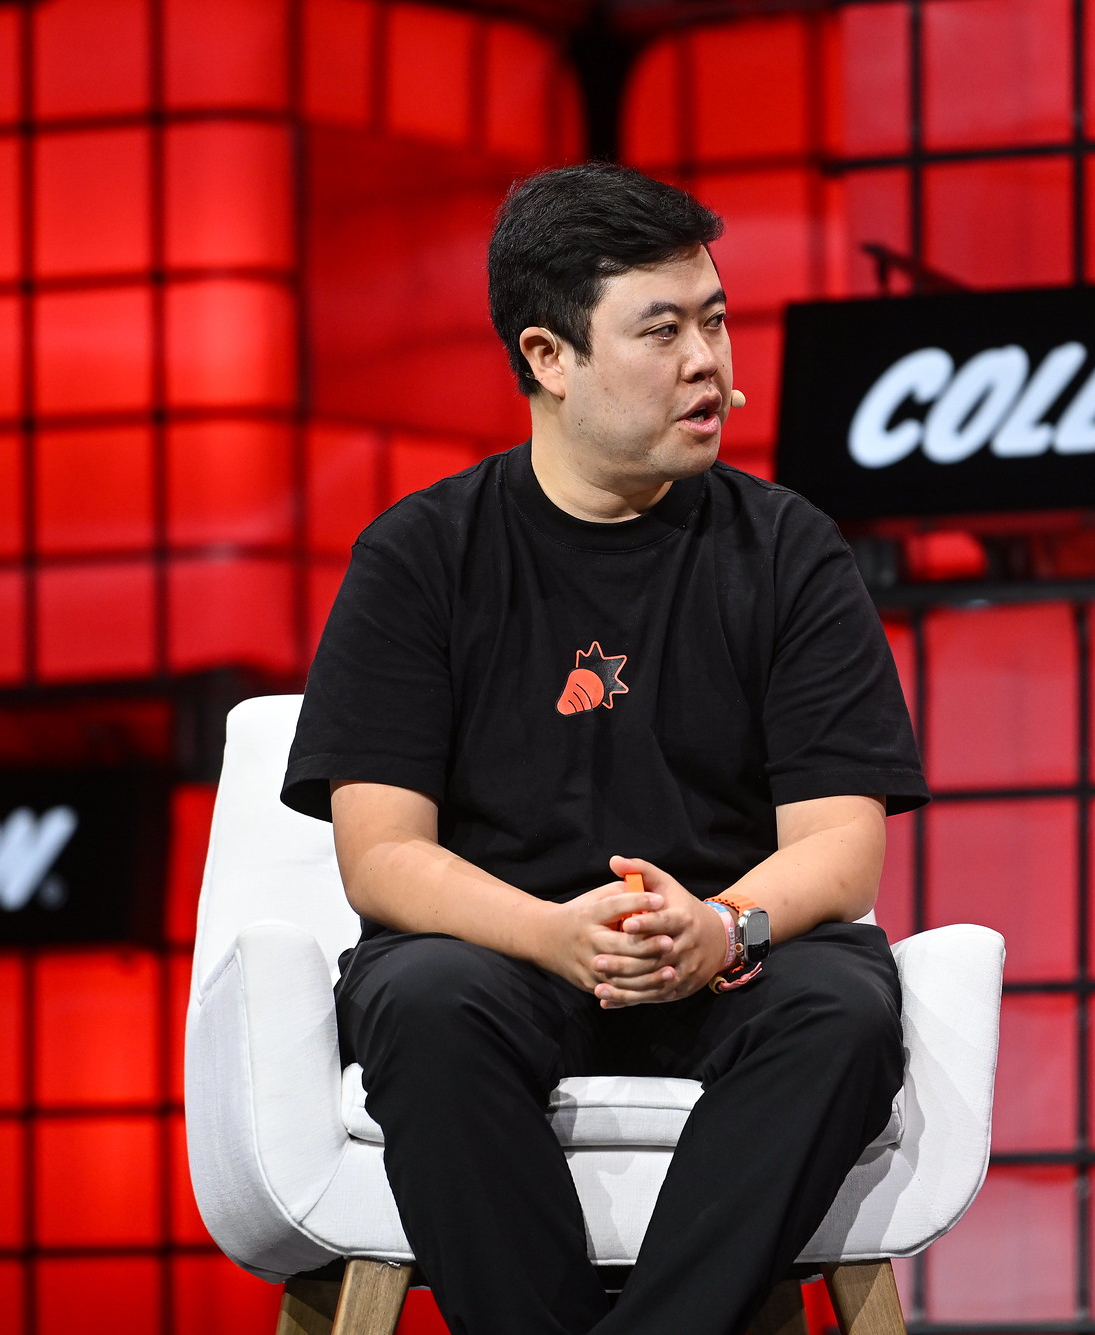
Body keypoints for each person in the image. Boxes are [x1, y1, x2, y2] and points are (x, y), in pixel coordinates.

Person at [280, 163, 928, 1335]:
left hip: (721, 951)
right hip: (501, 954)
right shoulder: (419, 558)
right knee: (421, 1002)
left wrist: (719, 926)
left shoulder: (789, 552)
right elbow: (380, 858)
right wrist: (552, 933)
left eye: (716, 320)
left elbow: (840, 846)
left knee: (839, 1008)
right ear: (547, 357)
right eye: (663, 329)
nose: (708, 363)